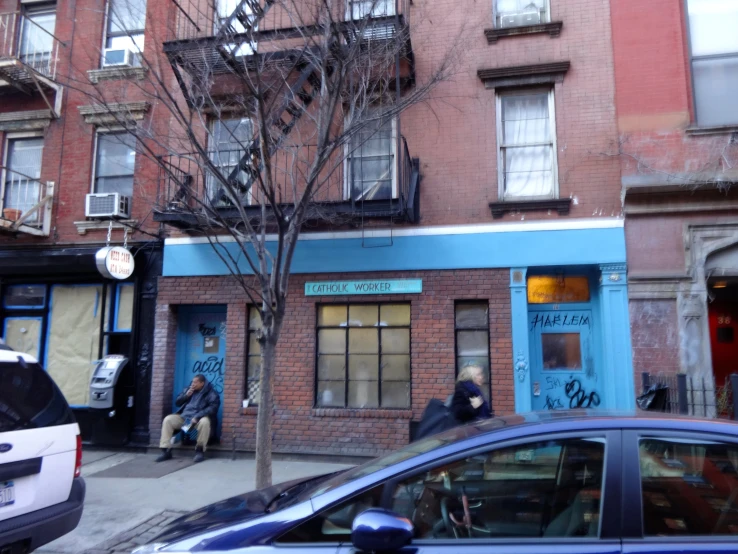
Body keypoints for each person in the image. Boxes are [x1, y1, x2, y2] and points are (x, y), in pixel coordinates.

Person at [156, 374, 220, 463]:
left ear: (202, 383)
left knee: (205, 422)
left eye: (196, 382)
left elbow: (213, 408)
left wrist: (197, 416)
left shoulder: (212, 393)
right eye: (192, 382)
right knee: (168, 420)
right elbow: (177, 403)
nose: (193, 384)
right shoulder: (188, 389)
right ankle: (165, 450)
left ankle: (199, 451)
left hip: (198, 418)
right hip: (185, 417)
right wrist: (186, 396)